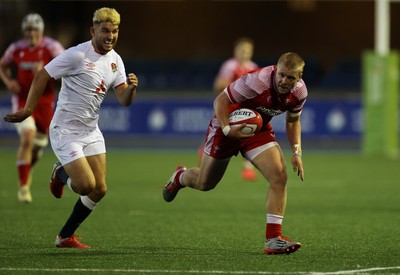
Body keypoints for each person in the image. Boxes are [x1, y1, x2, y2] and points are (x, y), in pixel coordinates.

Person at [4, 7, 138, 249]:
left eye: (115, 31)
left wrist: (131, 89)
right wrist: (27, 109)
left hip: (91, 131)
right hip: (66, 131)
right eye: (105, 30)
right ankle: (60, 173)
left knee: (100, 189)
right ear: (93, 30)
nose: (110, 36)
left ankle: (64, 236)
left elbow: (123, 99)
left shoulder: (115, 60)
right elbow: (42, 76)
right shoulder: (77, 55)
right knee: (85, 186)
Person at [163, 52, 307, 255]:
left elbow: (293, 121)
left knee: (279, 176)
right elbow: (220, 101)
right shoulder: (257, 81)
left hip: (257, 130)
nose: (284, 80)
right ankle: (180, 177)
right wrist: (228, 130)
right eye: (281, 74)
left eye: (290, 77)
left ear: (299, 78)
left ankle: (273, 239)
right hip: (227, 126)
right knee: (206, 183)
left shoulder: (299, 93)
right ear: (276, 69)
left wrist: (296, 153)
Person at [0, 13, 64, 203]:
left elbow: (66, 69)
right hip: (22, 102)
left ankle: (28, 168)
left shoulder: (52, 47)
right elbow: (2, 65)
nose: (30, 33)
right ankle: (23, 187)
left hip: (44, 104)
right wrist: (8, 81)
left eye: (34, 29)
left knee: (36, 150)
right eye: (27, 29)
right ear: (23, 31)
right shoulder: (16, 48)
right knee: (27, 137)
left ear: (41, 31)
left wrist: (46, 72)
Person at [213, 37, 259, 181]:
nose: (244, 53)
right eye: (242, 50)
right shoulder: (229, 66)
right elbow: (218, 86)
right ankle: (205, 151)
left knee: (250, 134)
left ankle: (247, 167)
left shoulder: (253, 66)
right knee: (223, 136)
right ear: (236, 51)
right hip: (229, 108)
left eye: (248, 50)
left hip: (244, 108)